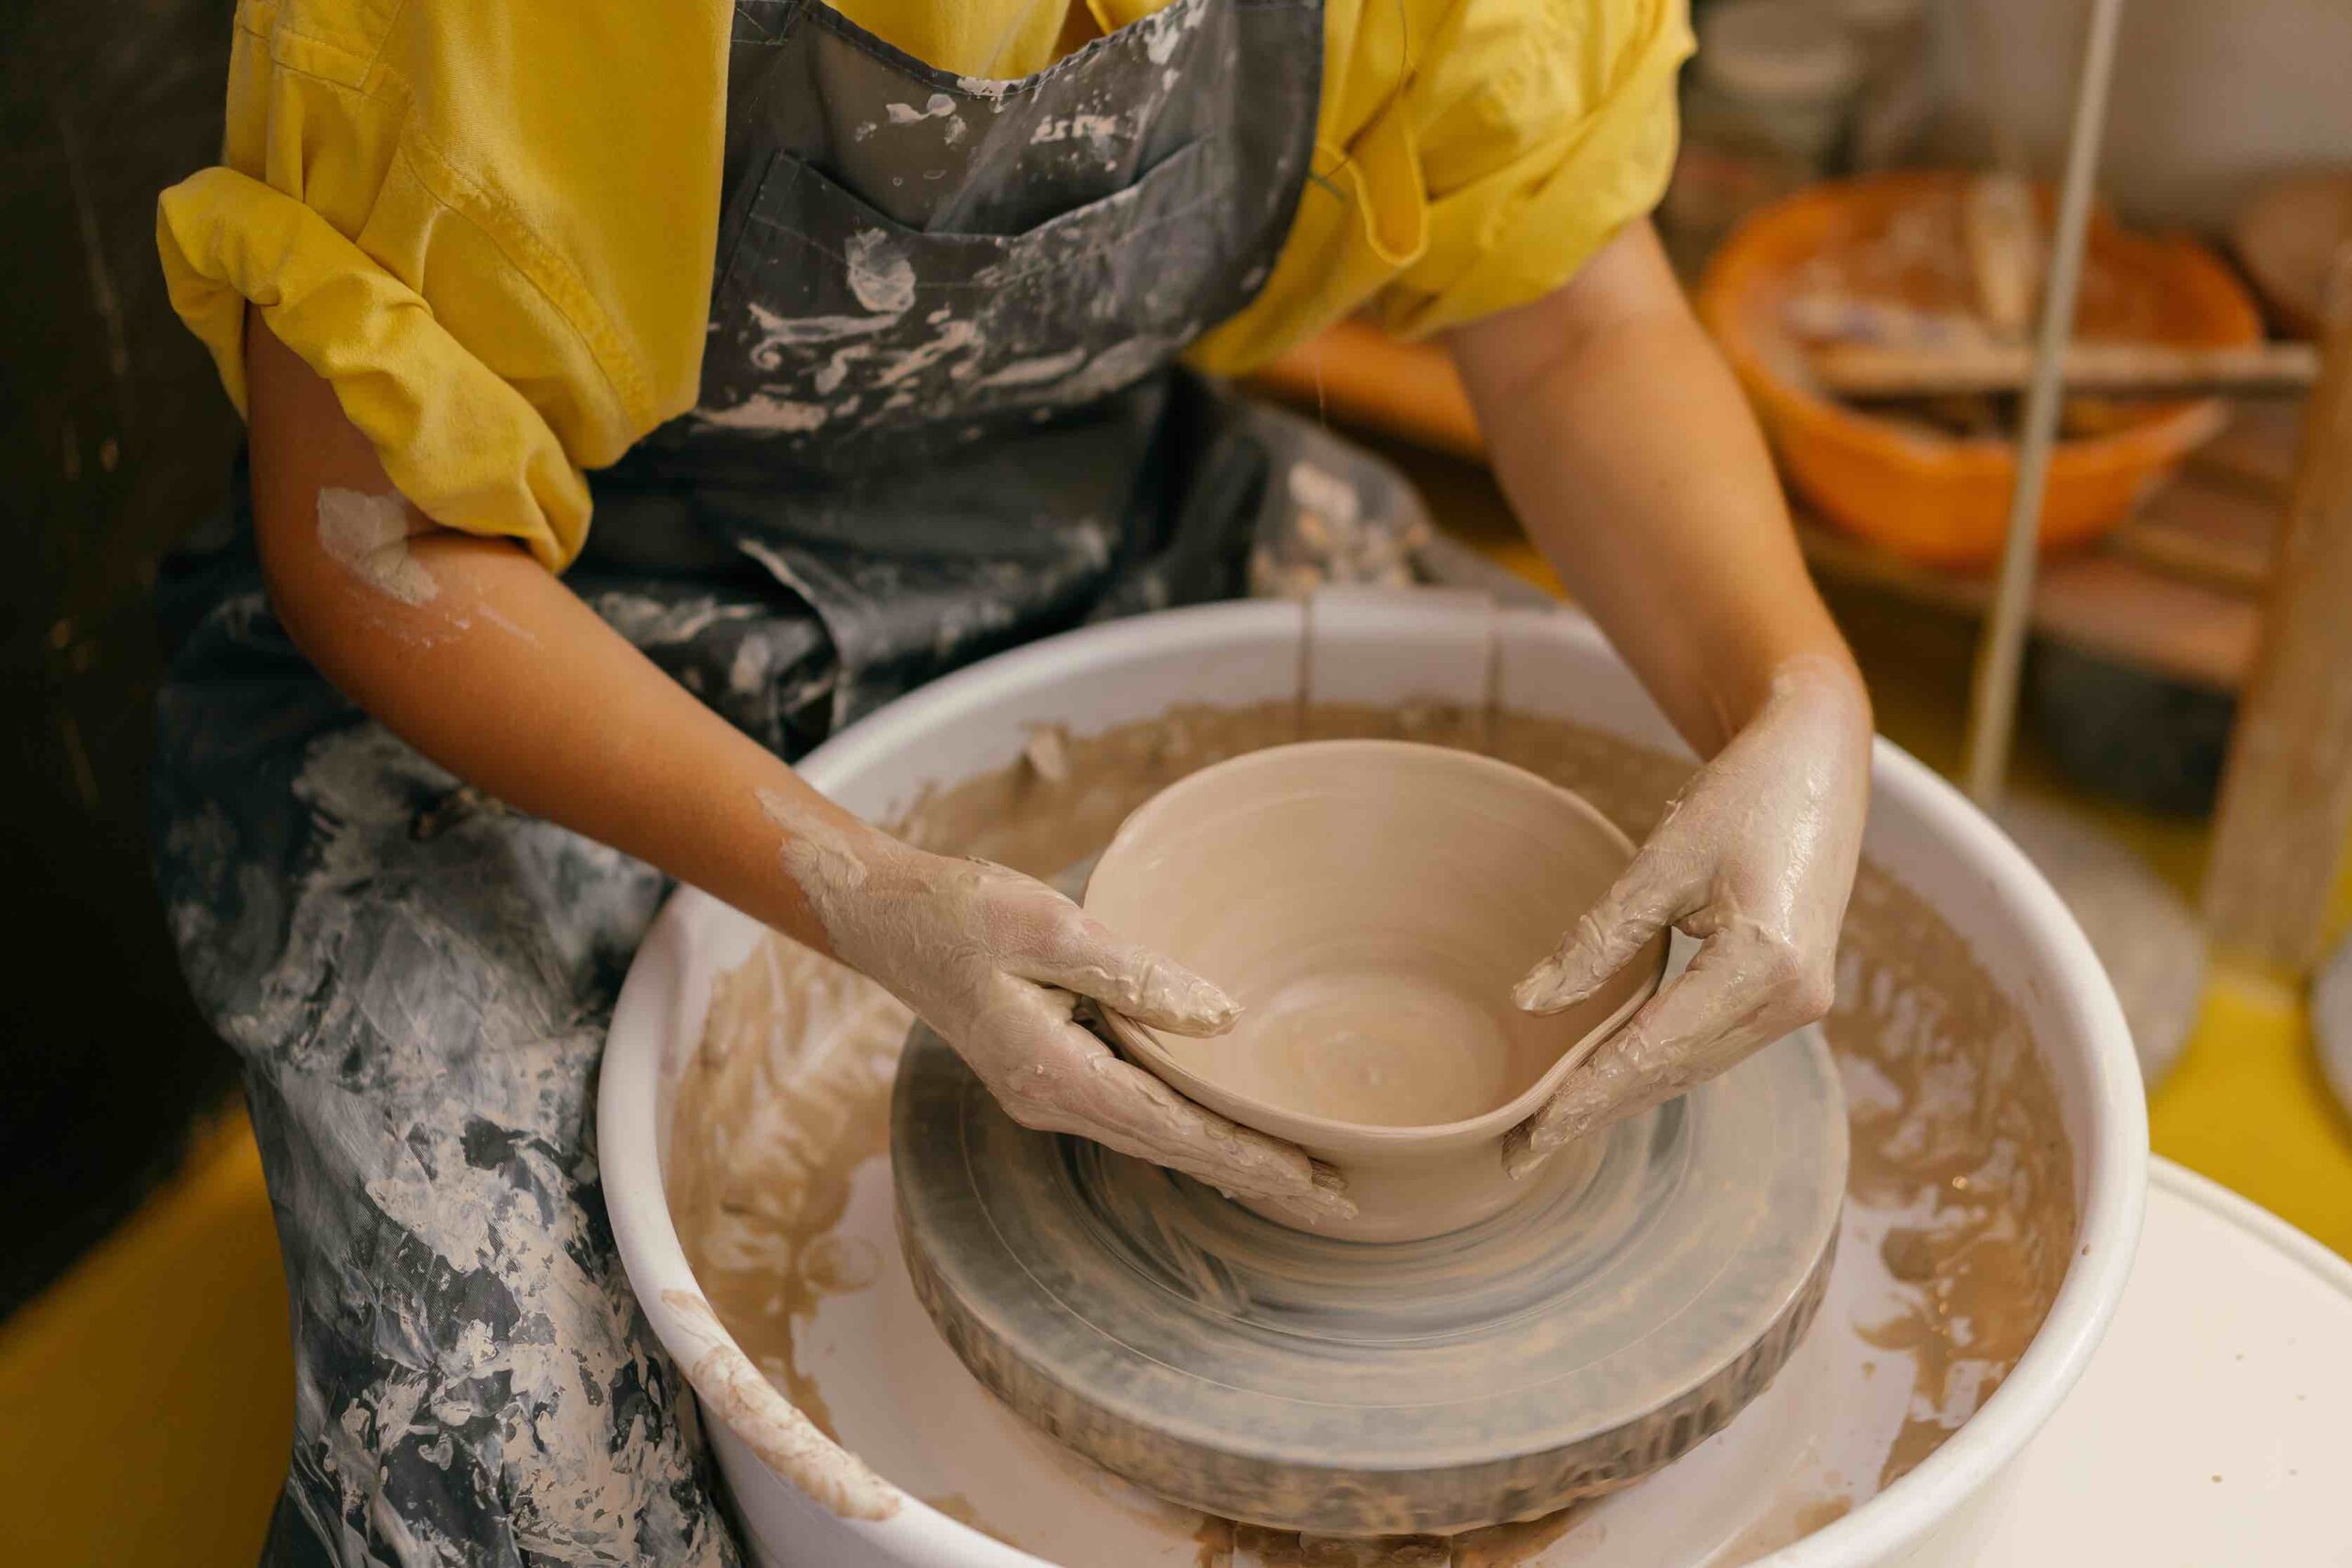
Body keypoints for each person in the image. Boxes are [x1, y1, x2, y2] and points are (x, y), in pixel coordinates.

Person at [153, 0, 1871, 1561]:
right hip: (548, 641)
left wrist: (1798, 698)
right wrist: (858, 887)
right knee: (527, 1465)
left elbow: (1576, 328)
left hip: (1088, 518)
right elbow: (380, 534)